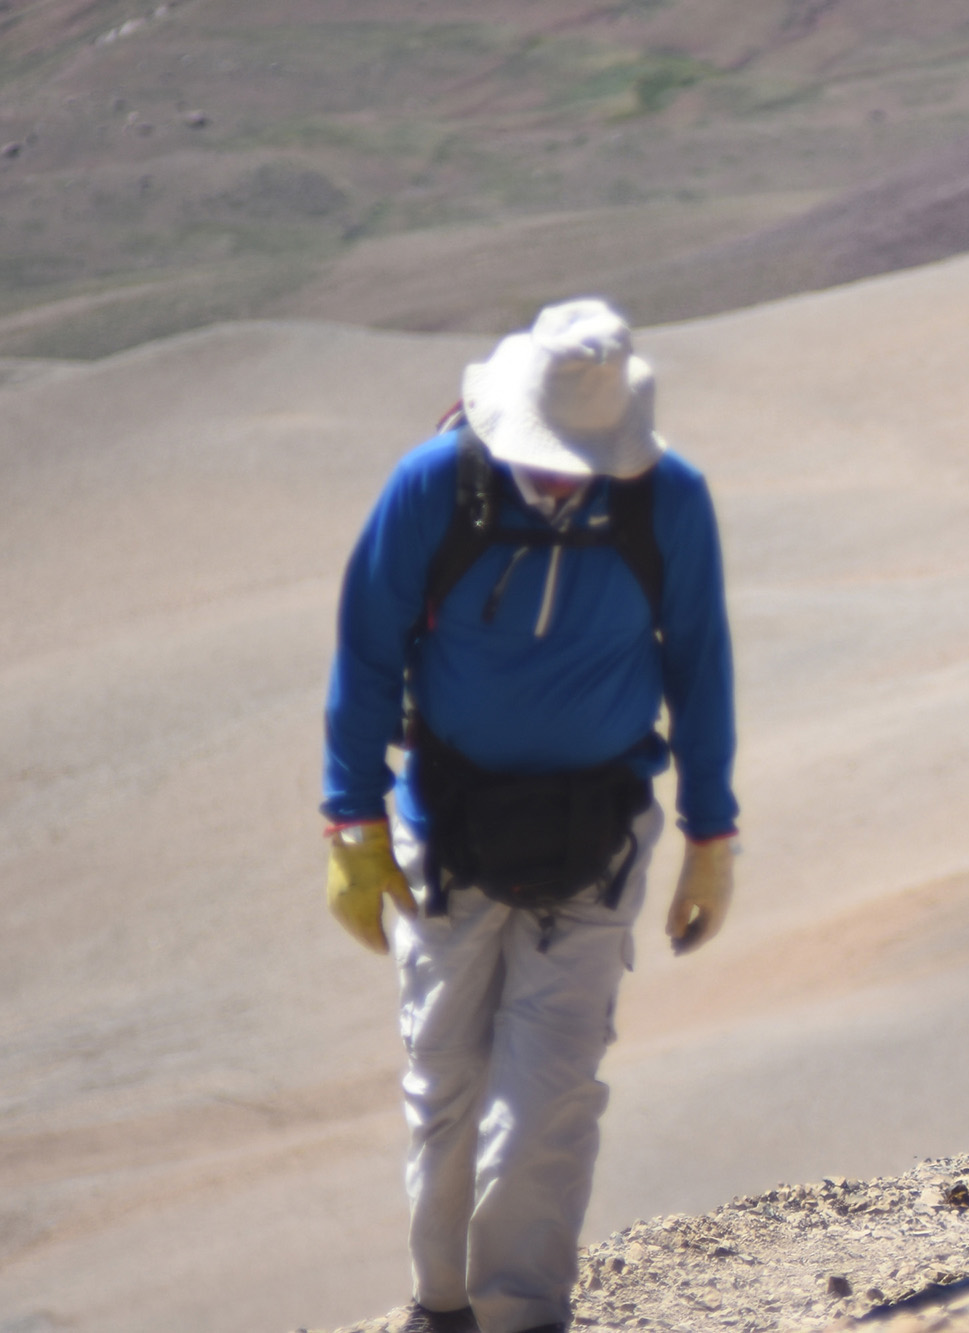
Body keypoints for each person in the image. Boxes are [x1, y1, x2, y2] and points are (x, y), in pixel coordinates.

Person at [320, 299, 739, 1333]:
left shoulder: (666, 501)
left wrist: (710, 833)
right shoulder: (434, 486)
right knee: (443, 1071)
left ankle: (521, 1315)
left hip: (594, 838)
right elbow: (366, 651)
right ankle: (441, 1302)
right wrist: (353, 824)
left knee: (547, 1092)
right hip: (439, 829)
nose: (557, 473)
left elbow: (698, 664)